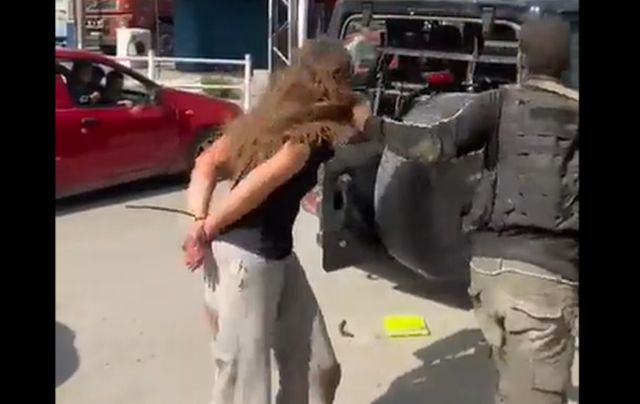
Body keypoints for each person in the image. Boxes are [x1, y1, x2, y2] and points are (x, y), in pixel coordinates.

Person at [353, 18, 578, 404]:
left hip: (489, 277)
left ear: (523, 58)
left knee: (512, 384)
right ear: (567, 61)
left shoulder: (497, 103)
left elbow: (433, 145)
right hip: (544, 281)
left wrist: (373, 125)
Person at [181, 38, 357, 404]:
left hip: (277, 253)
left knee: (319, 368)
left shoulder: (280, 116)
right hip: (245, 262)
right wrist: (204, 225)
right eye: (345, 77)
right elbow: (249, 183)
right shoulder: (303, 137)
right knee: (245, 385)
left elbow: (207, 163)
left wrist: (201, 221)